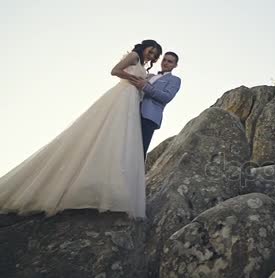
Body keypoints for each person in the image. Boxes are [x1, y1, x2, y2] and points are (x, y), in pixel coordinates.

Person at [0, 40, 162, 219]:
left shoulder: (144, 68)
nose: (152, 55)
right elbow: (114, 71)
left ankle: (110, 189)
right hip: (121, 98)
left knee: (118, 141)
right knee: (103, 132)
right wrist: (134, 79)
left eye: (155, 55)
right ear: (144, 47)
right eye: (151, 51)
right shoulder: (133, 57)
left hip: (131, 102)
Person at [129, 52, 181, 158]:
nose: (166, 63)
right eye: (164, 60)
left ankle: (136, 174)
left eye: (170, 61)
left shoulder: (175, 80)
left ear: (175, 65)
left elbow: (167, 97)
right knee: (127, 146)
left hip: (149, 117)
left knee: (140, 150)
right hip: (133, 113)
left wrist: (145, 87)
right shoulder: (150, 76)